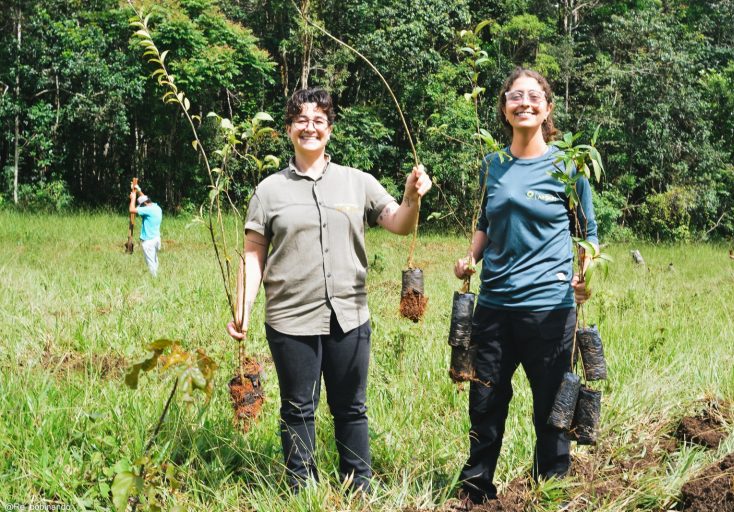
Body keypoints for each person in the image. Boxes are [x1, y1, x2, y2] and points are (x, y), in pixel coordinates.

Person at [226, 87, 432, 492]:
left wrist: (411, 195)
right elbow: (253, 256)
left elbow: (399, 222)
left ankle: (359, 486)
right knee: (297, 407)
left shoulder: (358, 183)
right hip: (290, 318)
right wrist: (243, 310)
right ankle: (301, 488)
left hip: (350, 315)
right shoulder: (269, 191)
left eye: (318, 120)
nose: (310, 127)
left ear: (330, 130)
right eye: (301, 120)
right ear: (288, 130)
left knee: (351, 408)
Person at [453, 68, 598, 506]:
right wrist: (470, 259)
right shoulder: (492, 165)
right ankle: (476, 488)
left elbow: (588, 232)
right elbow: (485, 224)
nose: (525, 103)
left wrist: (584, 273)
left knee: (552, 403)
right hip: (494, 304)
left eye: (534, 96)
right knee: (484, 399)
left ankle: (550, 486)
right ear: (504, 107)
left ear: (547, 108)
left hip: (550, 308)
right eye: (515, 96)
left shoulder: (568, 166)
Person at [129, 185, 163, 277]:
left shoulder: (147, 210)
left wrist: (133, 198)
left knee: (150, 262)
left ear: (145, 205)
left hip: (149, 241)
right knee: (154, 260)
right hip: (156, 238)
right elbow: (144, 199)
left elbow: (132, 210)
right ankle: (157, 276)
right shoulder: (156, 207)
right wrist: (139, 190)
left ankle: (155, 280)